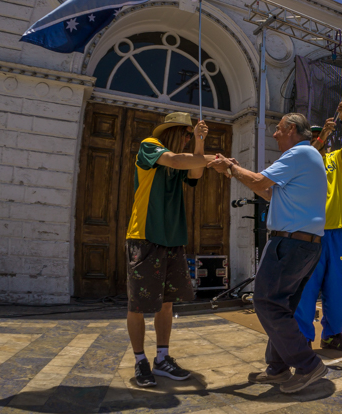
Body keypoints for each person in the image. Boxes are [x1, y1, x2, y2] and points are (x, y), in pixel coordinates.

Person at [208, 113, 328, 394]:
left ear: (291, 130)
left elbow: (261, 182)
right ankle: (278, 368)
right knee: (281, 305)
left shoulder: (298, 154)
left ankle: (308, 364)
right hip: (304, 244)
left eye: (278, 129)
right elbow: (270, 193)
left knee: (265, 301)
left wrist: (231, 168)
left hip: (290, 244)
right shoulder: (308, 156)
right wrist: (234, 170)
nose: (274, 134)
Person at [126, 113, 211, 388]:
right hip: (144, 236)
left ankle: (162, 358)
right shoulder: (150, 145)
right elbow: (176, 161)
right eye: (186, 134)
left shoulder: (184, 156)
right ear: (173, 132)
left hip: (172, 238)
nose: (187, 138)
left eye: (190, 134)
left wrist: (200, 144)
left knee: (167, 302)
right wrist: (214, 158)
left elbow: (195, 172)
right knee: (138, 304)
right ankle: (140, 361)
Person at [293, 99, 342, 352]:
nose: (320, 139)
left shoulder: (332, 159)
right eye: (315, 136)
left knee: (336, 289)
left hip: (336, 233)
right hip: (309, 234)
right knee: (307, 290)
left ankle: (332, 335)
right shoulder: (300, 161)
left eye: (323, 135)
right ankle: (302, 337)